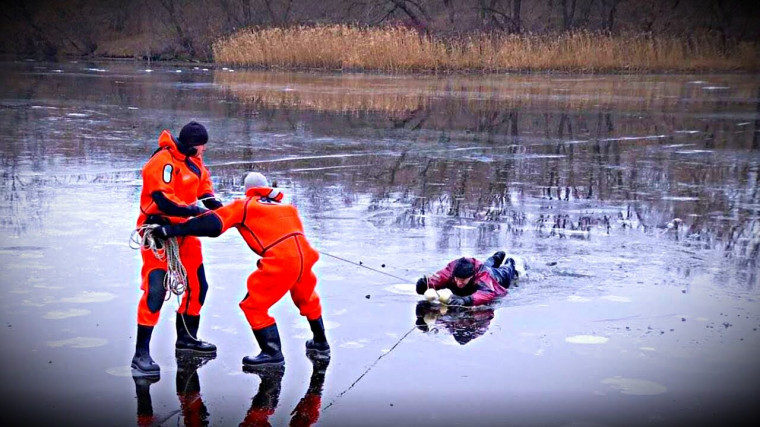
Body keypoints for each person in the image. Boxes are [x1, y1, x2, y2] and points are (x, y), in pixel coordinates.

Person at [151, 171, 330, 368]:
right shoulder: (287, 207)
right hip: (305, 257)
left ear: (247, 190)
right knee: (307, 298)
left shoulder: (244, 205)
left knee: (254, 305)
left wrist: (171, 230)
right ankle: (321, 343)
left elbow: (212, 225)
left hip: (282, 260)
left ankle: (272, 353)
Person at [132, 121, 222, 376]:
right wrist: (194, 211)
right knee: (156, 291)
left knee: (198, 285)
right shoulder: (163, 161)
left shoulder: (194, 162)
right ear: (192, 145)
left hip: (185, 231)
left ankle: (187, 339)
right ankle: (141, 354)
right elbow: (163, 200)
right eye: (202, 145)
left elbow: (205, 189)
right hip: (157, 232)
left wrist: (221, 209)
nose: (204, 150)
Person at [415, 251, 518, 306]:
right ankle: (496, 257)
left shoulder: (482, 276)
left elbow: (488, 292)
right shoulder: (451, 271)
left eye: (463, 280)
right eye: (457, 279)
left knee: (507, 271)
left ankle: (510, 262)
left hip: (495, 277)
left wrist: (467, 300)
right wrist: (424, 285)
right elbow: (437, 279)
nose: (459, 283)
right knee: (487, 264)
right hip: (482, 266)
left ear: (472, 276)